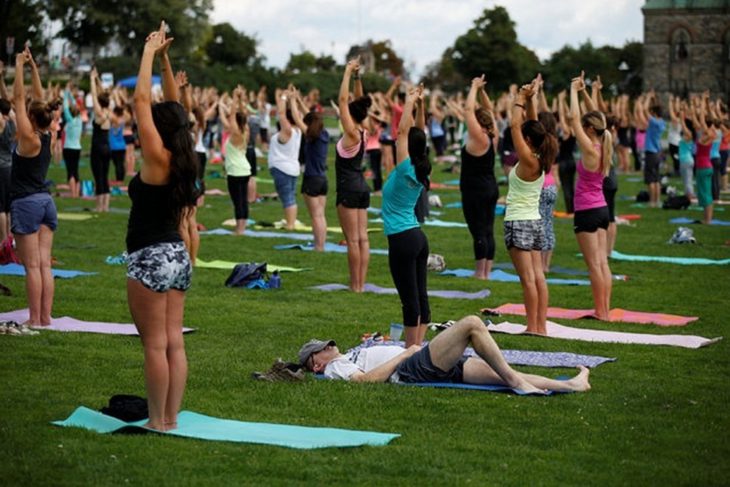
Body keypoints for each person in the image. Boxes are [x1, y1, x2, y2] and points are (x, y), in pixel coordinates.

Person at [127, 22, 198, 431]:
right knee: (173, 341)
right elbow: (176, 110)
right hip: (177, 256)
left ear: (162, 129)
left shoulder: (157, 158)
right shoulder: (186, 157)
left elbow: (141, 99)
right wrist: (167, 60)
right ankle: (170, 417)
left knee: (154, 344)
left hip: (150, 257)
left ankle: (157, 420)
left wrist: (150, 52)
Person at [299, 315, 591, 394]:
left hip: (420, 362)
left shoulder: (344, 355)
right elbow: (364, 382)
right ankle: (518, 384)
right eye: (322, 349)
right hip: (412, 368)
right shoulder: (335, 368)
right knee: (472, 324)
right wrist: (406, 353)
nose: (328, 347)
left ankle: (570, 384)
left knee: (500, 374)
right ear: (316, 365)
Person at [505, 74, 557, 335]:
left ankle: (533, 327)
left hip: (520, 222)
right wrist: (532, 97)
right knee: (538, 277)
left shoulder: (529, 160)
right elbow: (534, 126)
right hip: (534, 222)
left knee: (528, 279)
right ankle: (540, 327)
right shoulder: (541, 155)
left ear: (527, 141)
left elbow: (516, 127)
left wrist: (519, 99)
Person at [10, 47, 58, 326]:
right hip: (45, 202)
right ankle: (46, 317)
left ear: (31, 116)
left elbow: (18, 97)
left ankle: (34, 318)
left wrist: (19, 66)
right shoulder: (46, 133)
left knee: (32, 267)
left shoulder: (28, 138)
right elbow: (39, 100)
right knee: (44, 265)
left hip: (26, 203)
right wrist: (34, 68)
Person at [382, 84, 432, 348]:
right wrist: (420, 105)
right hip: (417, 238)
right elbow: (415, 134)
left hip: (403, 239)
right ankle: (417, 347)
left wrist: (410, 100)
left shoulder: (404, 169)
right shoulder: (419, 167)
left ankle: (410, 351)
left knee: (409, 300)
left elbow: (403, 132)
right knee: (420, 296)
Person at [569, 71, 613, 321]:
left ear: (589, 129)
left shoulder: (589, 149)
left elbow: (575, 118)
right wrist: (585, 92)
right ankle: (604, 310)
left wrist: (573, 92)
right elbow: (596, 117)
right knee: (602, 263)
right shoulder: (605, 142)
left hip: (586, 211)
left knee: (594, 265)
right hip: (601, 210)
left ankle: (601, 312)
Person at [336, 58, 372, 292]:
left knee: (352, 240)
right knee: (363, 239)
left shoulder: (350, 133)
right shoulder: (363, 130)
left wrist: (348, 72)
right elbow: (358, 101)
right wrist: (358, 77)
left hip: (348, 188)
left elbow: (342, 100)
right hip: (361, 187)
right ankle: (361, 284)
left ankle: (356, 285)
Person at [459, 75, 498, 280]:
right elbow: (490, 111)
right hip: (490, 187)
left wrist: (474, 87)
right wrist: (482, 91)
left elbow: (467, 111)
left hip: (476, 190)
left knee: (478, 231)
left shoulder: (479, 137)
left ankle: (480, 273)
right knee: (488, 229)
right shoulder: (493, 136)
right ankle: (487, 272)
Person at [291, 92, 330, 251]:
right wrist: (300, 99)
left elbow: (297, 118)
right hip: (322, 180)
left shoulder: (310, 136)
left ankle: (318, 246)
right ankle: (321, 245)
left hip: (311, 180)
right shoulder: (324, 135)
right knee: (321, 215)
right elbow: (311, 116)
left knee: (315, 216)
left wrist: (292, 100)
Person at [267, 89, 302, 230]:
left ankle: (290, 224)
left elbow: (281, 114)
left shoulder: (287, 131)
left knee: (288, 199)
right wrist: (293, 100)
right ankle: (290, 222)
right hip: (291, 168)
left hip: (283, 169)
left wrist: (283, 97)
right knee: (289, 197)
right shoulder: (298, 129)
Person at [220, 88, 251, 235]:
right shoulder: (245, 131)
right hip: (244, 170)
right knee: (243, 200)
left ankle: (239, 230)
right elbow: (241, 115)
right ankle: (242, 228)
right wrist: (239, 99)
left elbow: (232, 115)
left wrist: (234, 97)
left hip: (236, 171)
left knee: (238, 201)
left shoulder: (236, 134)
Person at [89, 68, 111, 212]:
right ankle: (106, 207)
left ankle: (99, 207)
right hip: (107, 148)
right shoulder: (107, 111)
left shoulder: (99, 113)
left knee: (98, 177)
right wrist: (97, 79)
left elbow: (95, 96)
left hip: (97, 148)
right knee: (105, 177)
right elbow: (102, 95)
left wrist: (91, 79)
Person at [61, 86, 82, 198]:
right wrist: (69, 94)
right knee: (76, 171)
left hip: (68, 148)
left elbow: (65, 107)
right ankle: (77, 194)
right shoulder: (79, 120)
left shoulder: (69, 120)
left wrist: (65, 94)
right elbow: (74, 105)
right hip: (77, 148)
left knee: (70, 171)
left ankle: (73, 194)